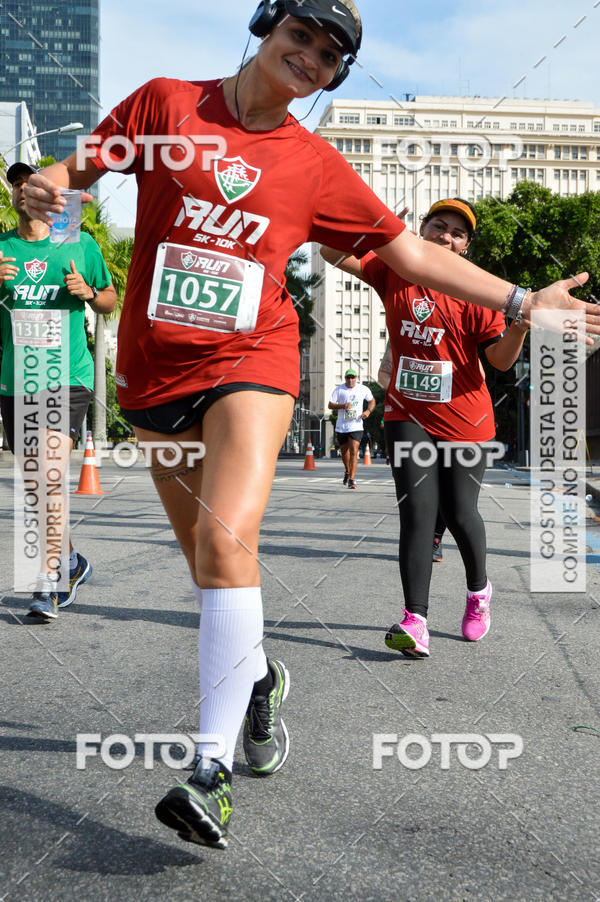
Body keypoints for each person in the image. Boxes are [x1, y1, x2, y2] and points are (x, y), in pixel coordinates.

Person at [23, 1, 599, 850]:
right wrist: (55, 184)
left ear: (333, 76)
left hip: (254, 356)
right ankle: (257, 682)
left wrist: (520, 300)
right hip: (154, 375)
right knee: (205, 564)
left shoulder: (315, 164)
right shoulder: (166, 105)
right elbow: (85, 167)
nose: (311, 58)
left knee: (229, 542)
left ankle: (209, 770)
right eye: (301, 36)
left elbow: (407, 252)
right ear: (267, 29)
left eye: (331, 56)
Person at [322, 197, 532, 657]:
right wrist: (364, 220)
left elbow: (498, 360)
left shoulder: (475, 291)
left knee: (459, 513)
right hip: (407, 414)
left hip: (466, 418)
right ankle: (415, 619)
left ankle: (478, 593)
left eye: (458, 233)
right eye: (439, 226)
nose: (446, 236)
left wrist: (519, 325)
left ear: (465, 248)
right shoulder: (394, 268)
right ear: (421, 229)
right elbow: (331, 252)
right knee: (417, 515)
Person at [0, 161, 116, 622]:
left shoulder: (79, 245)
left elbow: (109, 299)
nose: (23, 189)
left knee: (48, 477)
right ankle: (71, 559)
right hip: (15, 379)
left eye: (32, 183)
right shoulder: (2, 248)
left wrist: (87, 291)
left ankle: (48, 583)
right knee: (36, 487)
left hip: (67, 375)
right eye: (16, 185)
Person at [378, 340, 445, 560]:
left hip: (449, 421)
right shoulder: (402, 329)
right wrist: (406, 401)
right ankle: (421, 541)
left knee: (449, 492)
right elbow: (383, 374)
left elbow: (479, 374)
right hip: (411, 421)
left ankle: (436, 535)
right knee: (418, 491)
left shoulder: (455, 330)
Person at [328, 367, 374, 488]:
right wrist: (343, 405)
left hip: (356, 425)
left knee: (354, 450)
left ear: (356, 378)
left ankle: (352, 479)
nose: (350, 380)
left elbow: (372, 400)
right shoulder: (339, 389)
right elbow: (330, 405)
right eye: (348, 377)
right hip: (342, 426)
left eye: (352, 377)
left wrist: (368, 411)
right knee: (344, 452)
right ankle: (347, 471)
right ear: (345, 378)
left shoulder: (363, 389)